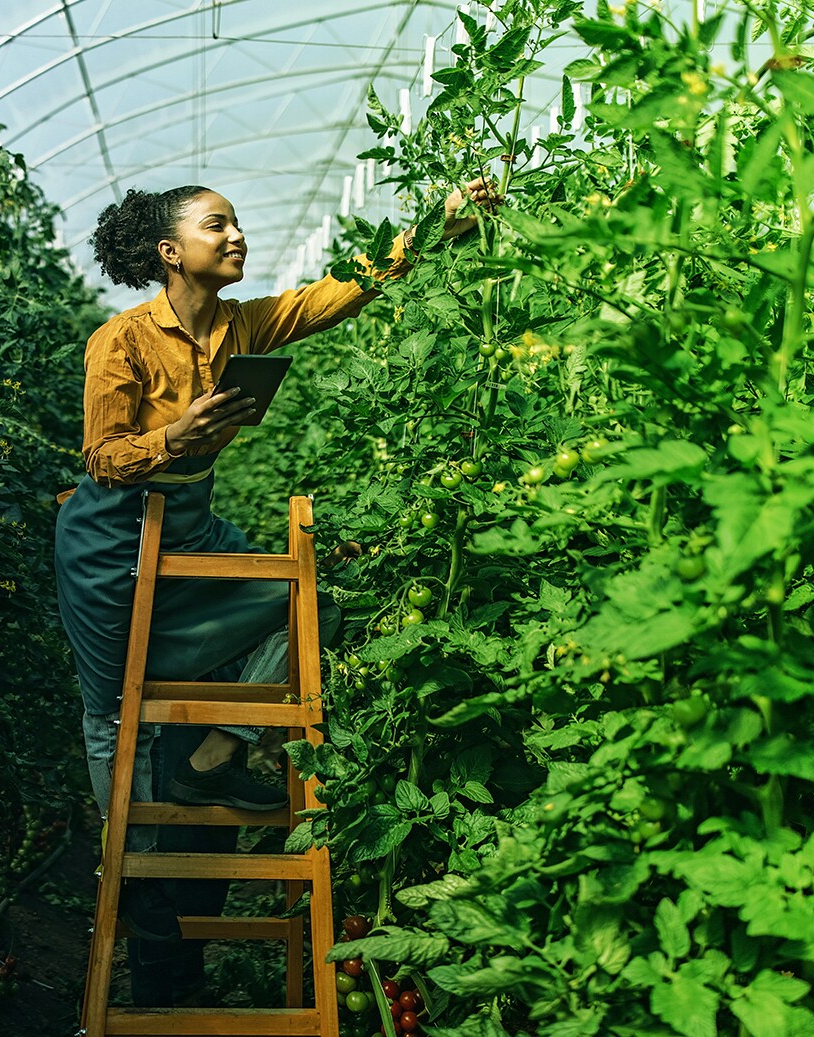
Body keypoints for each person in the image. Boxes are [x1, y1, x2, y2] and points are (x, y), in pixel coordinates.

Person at [54, 178, 497, 948]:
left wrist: (434, 228)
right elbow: (102, 456)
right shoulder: (120, 342)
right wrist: (174, 438)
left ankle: (216, 747)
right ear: (171, 252)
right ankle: (132, 871)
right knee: (115, 708)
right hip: (110, 538)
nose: (235, 236)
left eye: (236, 223)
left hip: (189, 523)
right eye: (215, 225)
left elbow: (340, 290)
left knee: (307, 595)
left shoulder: (243, 326)